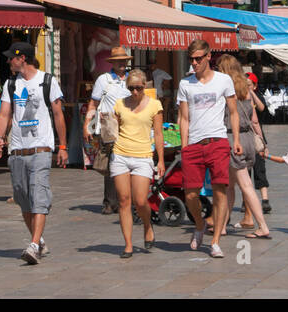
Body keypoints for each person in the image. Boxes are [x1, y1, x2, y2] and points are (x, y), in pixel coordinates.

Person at [0, 41, 67, 265]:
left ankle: (34, 245)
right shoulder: (10, 84)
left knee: (38, 195)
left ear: (22, 58)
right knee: (22, 197)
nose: (8, 61)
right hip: (17, 149)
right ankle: (40, 240)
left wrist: (62, 146)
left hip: (41, 148)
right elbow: (4, 114)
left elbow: (58, 114)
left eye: (11, 58)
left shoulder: (47, 81)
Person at [178, 39, 242, 258]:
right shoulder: (185, 84)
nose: (194, 63)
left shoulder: (224, 80)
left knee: (220, 191)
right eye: (191, 59)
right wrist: (184, 146)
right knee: (190, 195)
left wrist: (235, 140)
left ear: (208, 56)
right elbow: (184, 118)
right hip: (194, 144)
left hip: (217, 141)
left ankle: (215, 241)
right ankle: (199, 225)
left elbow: (233, 112)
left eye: (198, 58)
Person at [110, 69, 165, 257]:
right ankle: (128, 244)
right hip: (120, 154)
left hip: (143, 156)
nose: (135, 92)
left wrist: (161, 160)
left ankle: (148, 225)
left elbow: (158, 134)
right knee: (124, 201)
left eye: (139, 88)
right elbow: (112, 130)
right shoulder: (119, 104)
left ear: (145, 86)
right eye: (131, 88)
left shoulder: (154, 105)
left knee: (141, 200)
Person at [218, 56, 273, 239]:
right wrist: (262, 143)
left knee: (244, 184)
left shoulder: (225, 88)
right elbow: (255, 119)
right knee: (229, 185)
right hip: (248, 137)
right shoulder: (245, 88)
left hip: (233, 138)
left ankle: (262, 225)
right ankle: (223, 225)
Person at [86, 46, 132, 215]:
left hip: (130, 126)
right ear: (112, 63)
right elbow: (94, 103)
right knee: (110, 164)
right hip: (109, 126)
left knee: (128, 163)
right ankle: (109, 202)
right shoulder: (103, 80)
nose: (121, 64)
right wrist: (87, 125)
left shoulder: (132, 79)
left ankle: (126, 200)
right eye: (118, 61)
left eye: (124, 61)